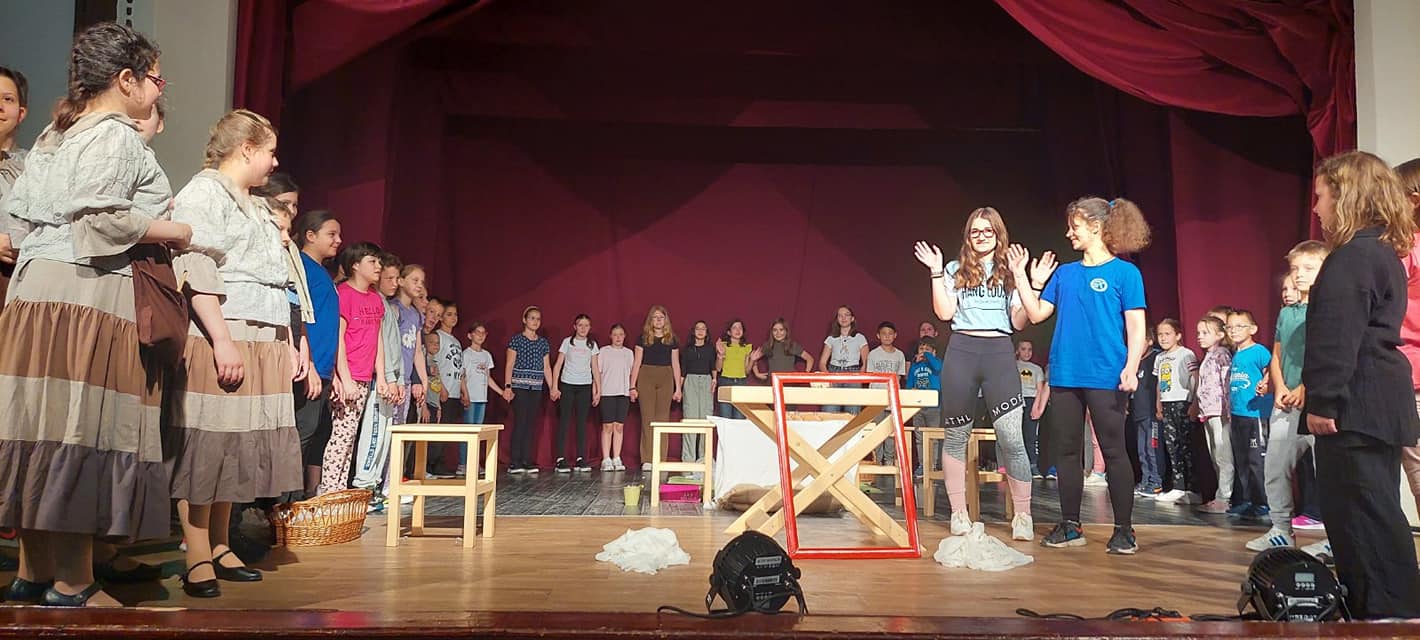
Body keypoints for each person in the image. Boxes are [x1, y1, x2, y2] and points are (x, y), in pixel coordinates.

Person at [0, 23, 188, 607]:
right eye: (156, 78)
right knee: (80, 427)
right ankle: (73, 582)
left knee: (40, 426)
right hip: (85, 292)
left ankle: (34, 571)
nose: (158, 89)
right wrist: (175, 230)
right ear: (126, 80)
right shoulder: (114, 134)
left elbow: (20, 221)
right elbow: (103, 221)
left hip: (37, 290)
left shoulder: (58, 133)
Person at [1302, 151, 1420, 619]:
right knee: (1375, 513)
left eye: (1321, 197)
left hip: (1356, 406)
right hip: (1376, 403)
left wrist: (1323, 401)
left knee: (1362, 518)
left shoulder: (1353, 257)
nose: (1316, 208)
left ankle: (1386, 615)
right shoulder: (1380, 252)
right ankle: (1390, 610)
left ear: (1346, 196)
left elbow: (1337, 335)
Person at [1011, 197, 1150, 554]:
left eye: (1074, 226)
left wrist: (1131, 367)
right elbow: (1036, 314)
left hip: (1106, 374)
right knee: (1068, 451)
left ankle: (1124, 530)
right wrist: (1021, 277)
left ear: (1096, 227)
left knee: (1114, 451)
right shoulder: (1065, 274)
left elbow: (1136, 327)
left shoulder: (1125, 273)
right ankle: (1071, 524)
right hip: (1065, 374)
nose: (1068, 233)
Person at [914, 206, 1034, 541]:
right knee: (955, 436)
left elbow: (1019, 322)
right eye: (975, 231)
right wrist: (935, 271)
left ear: (998, 234)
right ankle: (959, 513)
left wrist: (1025, 279)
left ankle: (1023, 515)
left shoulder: (1008, 271)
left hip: (999, 353)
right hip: (963, 352)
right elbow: (944, 313)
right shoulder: (955, 269)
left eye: (987, 230)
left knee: (1012, 437)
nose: (981, 236)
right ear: (968, 236)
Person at [1249, 241, 1329, 551]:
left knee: (1328, 473)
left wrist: (1304, 387)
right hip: (1286, 402)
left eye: (1308, 268)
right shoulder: (1287, 313)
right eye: (1295, 269)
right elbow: (1278, 354)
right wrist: (1280, 386)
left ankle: (1334, 538)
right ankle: (1281, 528)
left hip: (1317, 401)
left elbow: (1328, 355)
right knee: (1275, 465)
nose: (1299, 275)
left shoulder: (1328, 310)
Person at [318, 242, 387, 495]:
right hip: (348, 376)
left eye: (379, 262)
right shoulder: (344, 294)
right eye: (372, 261)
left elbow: (377, 339)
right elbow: (338, 338)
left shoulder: (375, 298)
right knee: (341, 434)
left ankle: (339, 489)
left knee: (350, 435)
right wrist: (345, 379)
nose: (378, 266)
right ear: (355, 265)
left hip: (365, 377)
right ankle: (329, 491)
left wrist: (381, 376)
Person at [292, 209, 341, 497]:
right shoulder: (301, 267)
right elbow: (301, 319)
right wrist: (308, 363)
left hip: (323, 368)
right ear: (310, 235)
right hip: (307, 366)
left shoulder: (322, 273)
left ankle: (301, 497)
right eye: (331, 234)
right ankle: (282, 502)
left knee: (316, 434)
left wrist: (333, 372)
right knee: (301, 431)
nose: (338, 240)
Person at [1226, 309, 1271, 521]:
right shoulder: (1236, 354)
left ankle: (1262, 502)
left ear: (1252, 329)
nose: (1233, 331)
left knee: (1256, 459)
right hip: (1238, 414)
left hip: (1255, 414)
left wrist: (1266, 383)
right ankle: (1246, 500)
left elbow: (1271, 368)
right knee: (1242, 459)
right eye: (1229, 327)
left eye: (1239, 326)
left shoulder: (1259, 351)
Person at [1192, 315, 1235, 514]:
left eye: (1205, 333)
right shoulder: (1208, 356)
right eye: (1199, 333)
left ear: (1219, 335)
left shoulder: (1222, 355)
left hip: (1220, 412)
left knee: (1223, 454)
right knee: (1215, 455)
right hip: (1208, 412)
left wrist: (1228, 410)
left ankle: (1225, 497)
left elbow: (1226, 383)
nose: (1200, 336)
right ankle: (1220, 495)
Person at [1153, 319, 1198, 504]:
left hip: (1182, 402)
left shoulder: (1186, 354)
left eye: (1167, 334)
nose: (1163, 338)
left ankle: (1193, 489)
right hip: (1167, 402)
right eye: (1160, 334)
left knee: (1186, 446)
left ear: (1178, 335)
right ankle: (1178, 486)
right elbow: (1159, 383)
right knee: (1172, 446)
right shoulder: (1160, 358)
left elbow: (1195, 378)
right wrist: (1158, 403)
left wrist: (1194, 402)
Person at [632, 305, 681, 470]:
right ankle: (647, 459)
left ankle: (660, 458)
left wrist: (678, 388)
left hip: (666, 376)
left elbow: (675, 364)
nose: (659, 320)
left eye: (661, 317)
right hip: (646, 375)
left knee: (662, 418)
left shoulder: (672, 339)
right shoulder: (643, 338)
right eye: (655, 317)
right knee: (647, 418)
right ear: (650, 320)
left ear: (665, 320)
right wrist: (632, 386)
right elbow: (637, 363)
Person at [504, 306, 552, 473]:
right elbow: (509, 364)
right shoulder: (516, 340)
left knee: (531, 423)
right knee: (520, 422)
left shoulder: (543, 343)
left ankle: (526, 459)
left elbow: (546, 367)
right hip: (520, 386)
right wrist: (508, 386)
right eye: (532, 318)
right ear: (524, 320)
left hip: (536, 387)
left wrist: (552, 387)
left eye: (538, 319)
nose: (535, 321)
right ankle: (515, 461)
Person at [551, 314, 601, 472]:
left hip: (584, 386)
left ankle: (581, 458)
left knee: (581, 423)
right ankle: (560, 458)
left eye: (586, 325)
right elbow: (558, 365)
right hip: (567, 385)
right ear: (575, 327)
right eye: (580, 325)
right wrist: (554, 386)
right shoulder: (567, 342)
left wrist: (598, 390)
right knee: (565, 421)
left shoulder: (592, 345)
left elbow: (595, 368)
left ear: (590, 327)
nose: (583, 328)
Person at [819, 305, 868, 414]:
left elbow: (865, 362)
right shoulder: (831, 338)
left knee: (852, 411)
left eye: (846, 315)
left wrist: (859, 377)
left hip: (853, 373)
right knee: (830, 410)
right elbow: (822, 362)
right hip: (834, 372)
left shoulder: (860, 338)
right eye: (840, 315)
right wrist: (828, 377)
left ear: (852, 318)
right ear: (837, 319)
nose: (843, 318)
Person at [598, 324, 635, 471]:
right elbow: (598, 372)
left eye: (621, 334)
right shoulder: (603, 351)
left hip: (623, 393)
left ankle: (616, 457)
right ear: (610, 336)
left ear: (624, 336)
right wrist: (597, 390)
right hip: (607, 392)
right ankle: (606, 458)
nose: (618, 337)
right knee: (607, 426)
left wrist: (632, 389)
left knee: (619, 426)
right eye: (615, 334)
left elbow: (632, 373)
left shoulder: (629, 353)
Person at [678, 320, 715, 463]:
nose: (700, 331)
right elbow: (683, 370)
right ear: (693, 331)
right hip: (690, 381)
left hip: (706, 380)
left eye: (703, 329)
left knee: (706, 418)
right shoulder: (687, 350)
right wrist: (679, 389)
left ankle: (705, 458)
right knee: (690, 418)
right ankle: (688, 458)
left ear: (706, 332)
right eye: (698, 328)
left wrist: (714, 379)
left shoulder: (710, 349)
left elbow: (713, 367)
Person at [1015, 341, 1048, 479]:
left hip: (1031, 401)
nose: (1027, 352)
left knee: (1031, 435)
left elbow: (1040, 389)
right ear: (1017, 351)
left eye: (1029, 349)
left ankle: (1033, 465)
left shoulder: (1036, 369)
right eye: (1023, 349)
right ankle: (1017, 466)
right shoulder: (1012, 366)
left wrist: (1036, 406)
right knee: (1016, 435)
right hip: (1016, 401)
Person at [714, 319, 752, 419]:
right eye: (734, 328)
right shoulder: (723, 345)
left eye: (740, 328)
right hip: (725, 381)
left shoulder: (746, 347)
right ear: (729, 332)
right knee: (725, 417)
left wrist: (752, 360)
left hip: (741, 382)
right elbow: (718, 368)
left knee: (739, 418)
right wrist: (720, 355)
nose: (738, 330)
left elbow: (747, 371)